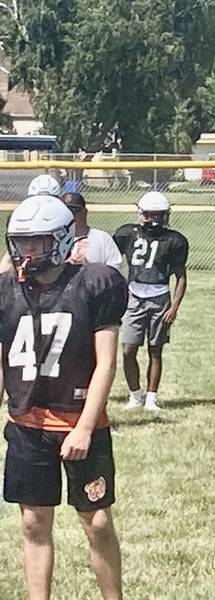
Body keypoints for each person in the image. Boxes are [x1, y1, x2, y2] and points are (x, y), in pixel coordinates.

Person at [1, 195, 128, 600]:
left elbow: (105, 363)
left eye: (36, 242)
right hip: (27, 424)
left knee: (98, 522)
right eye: (21, 243)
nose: (27, 252)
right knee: (33, 523)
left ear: (59, 239)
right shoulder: (6, 289)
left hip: (78, 421)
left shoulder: (95, 282)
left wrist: (85, 427)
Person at [113, 192, 189, 412]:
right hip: (134, 295)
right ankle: (135, 395)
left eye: (158, 215)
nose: (153, 219)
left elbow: (180, 275)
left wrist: (174, 307)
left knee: (155, 350)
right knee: (128, 349)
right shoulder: (127, 233)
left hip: (159, 296)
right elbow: (111, 259)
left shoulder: (174, 240)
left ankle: (151, 398)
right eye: (150, 214)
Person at [61, 181, 123, 270]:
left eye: (75, 211)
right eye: (66, 212)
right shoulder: (54, 240)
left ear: (85, 212)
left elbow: (114, 269)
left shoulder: (102, 238)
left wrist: (89, 268)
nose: (71, 215)